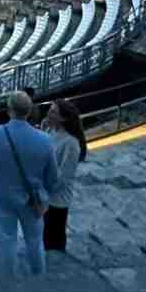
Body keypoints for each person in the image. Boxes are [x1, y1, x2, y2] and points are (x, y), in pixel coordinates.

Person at [0, 90, 59, 278]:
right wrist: (43, 192)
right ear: (29, 111)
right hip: (33, 198)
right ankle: (39, 276)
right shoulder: (44, 139)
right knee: (35, 241)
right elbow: (53, 177)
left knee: (7, 240)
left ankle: (8, 279)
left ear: (9, 110)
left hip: (3, 195)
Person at [42, 98, 87, 255]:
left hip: (56, 200)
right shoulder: (51, 131)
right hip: (45, 196)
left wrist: (44, 187)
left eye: (53, 112)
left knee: (53, 242)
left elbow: (63, 177)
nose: (49, 113)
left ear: (63, 118)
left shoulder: (71, 143)